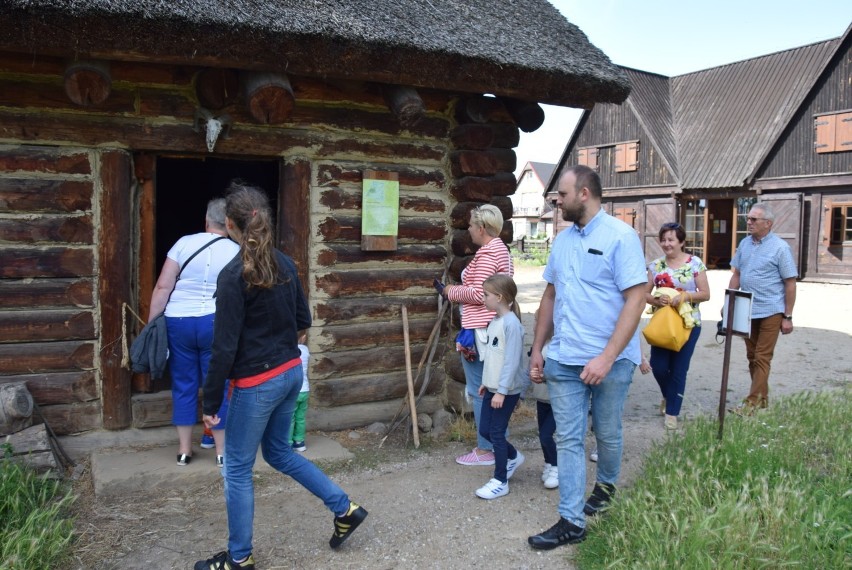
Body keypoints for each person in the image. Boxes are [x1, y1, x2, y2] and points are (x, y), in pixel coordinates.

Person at [194, 182, 367, 570]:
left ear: (231, 227)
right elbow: (303, 322)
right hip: (291, 372)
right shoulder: (285, 264)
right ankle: (346, 510)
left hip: (257, 384)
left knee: (237, 468)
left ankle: (239, 559)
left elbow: (223, 349)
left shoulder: (233, 275)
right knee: (278, 452)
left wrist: (208, 404)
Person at [527, 165, 647, 550]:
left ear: (584, 193)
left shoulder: (621, 237)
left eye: (560, 195)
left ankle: (606, 487)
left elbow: (637, 297)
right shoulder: (561, 241)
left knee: (607, 432)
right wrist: (538, 349)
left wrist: (607, 357)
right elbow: (550, 296)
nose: (556, 202)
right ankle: (572, 520)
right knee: (569, 437)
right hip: (564, 358)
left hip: (610, 360)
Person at [148, 198, 238, 467]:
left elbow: (163, 287)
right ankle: (221, 452)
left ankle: (184, 451)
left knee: (183, 384)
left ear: (206, 220)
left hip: (179, 321)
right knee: (219, 385)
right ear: (231, 223)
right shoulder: (237, 251)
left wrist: (153, 325)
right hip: (215, 322)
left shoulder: (183, 244)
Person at [440, 204, 514, 467]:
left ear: (481, 228)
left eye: (471, 225)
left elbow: (478, 295)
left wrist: (450, 291)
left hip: (480, 329)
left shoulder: (487, 254)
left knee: (480, 389)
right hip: (490, 326)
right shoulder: (501, 251)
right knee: (491, 386)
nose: (469, 229)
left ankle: (486, 449)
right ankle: (497, 445)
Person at [728, 203, 797, 415]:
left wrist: (787, 316)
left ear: (768, 223)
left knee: (762, 356)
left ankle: (751, 404)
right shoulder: (744, 244)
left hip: (771, 310)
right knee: (752, 356)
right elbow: (737, 275)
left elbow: (790, 283)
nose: (748, 222)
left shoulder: (780, 248)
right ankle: (762, 399)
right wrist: (729, 303)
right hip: (747, 308)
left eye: (753, 219)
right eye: (748, 218)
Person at [645, 222, 711, 430]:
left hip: (688, 324)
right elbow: (644, 293)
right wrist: (656, 300)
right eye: (663, 239)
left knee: (679, 370)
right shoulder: (655, 266)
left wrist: (685, 296)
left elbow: (706, 294)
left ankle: (672, 412)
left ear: (681, 241)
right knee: (659, 366)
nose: (666, 244)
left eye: (671, 239)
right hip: (663, 325)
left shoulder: (695, 264)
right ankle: (668, 395)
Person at [474, 274, 526, 499]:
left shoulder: (511, 324)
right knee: (485, 430)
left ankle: (500, 480)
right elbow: (493, 357)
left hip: (506, 391)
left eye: (486, 295)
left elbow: (511, 360)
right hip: (493, 388)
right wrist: (487, 383)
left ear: (499, 297)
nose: (483, 299)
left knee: (495, 432)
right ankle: (513, 456)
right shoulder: (494, 322)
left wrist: (502, 391)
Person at [290, 333, 310, 452]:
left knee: (289, 418)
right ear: (304, 337)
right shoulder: (306, 350)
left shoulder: (290, 351)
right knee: (300, 418)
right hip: (305, 390)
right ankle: (299, 442)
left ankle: (287, 443)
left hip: (294, 390)